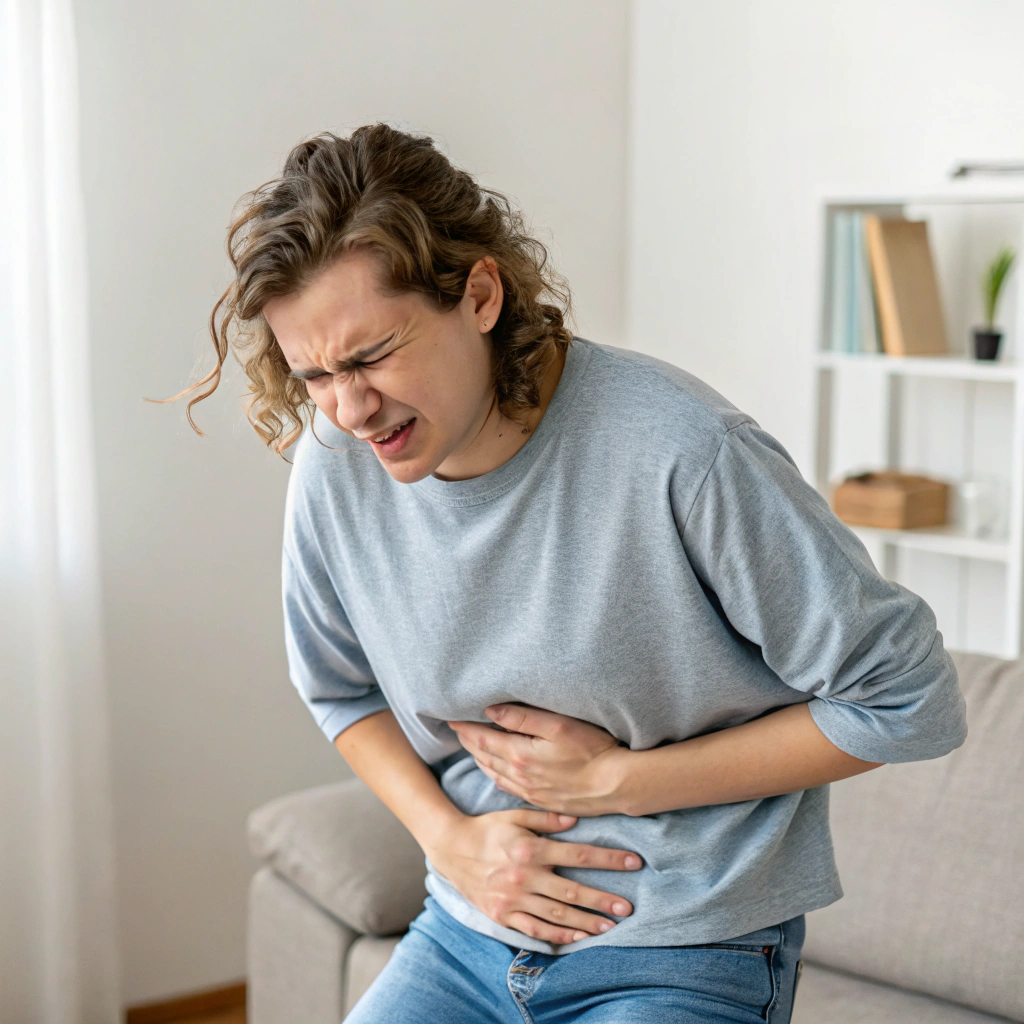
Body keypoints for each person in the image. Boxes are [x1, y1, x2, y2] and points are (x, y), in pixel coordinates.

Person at [171, 123, 968, 1022]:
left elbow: (908, 700)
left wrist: (618, 782)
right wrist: (451, 841)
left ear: (480, 295)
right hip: (464, 935)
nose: (349, 407)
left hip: (686, 952)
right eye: (314, 373)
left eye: (371, 356)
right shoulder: (336, 463)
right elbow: (338, 689)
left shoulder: (683, 454)